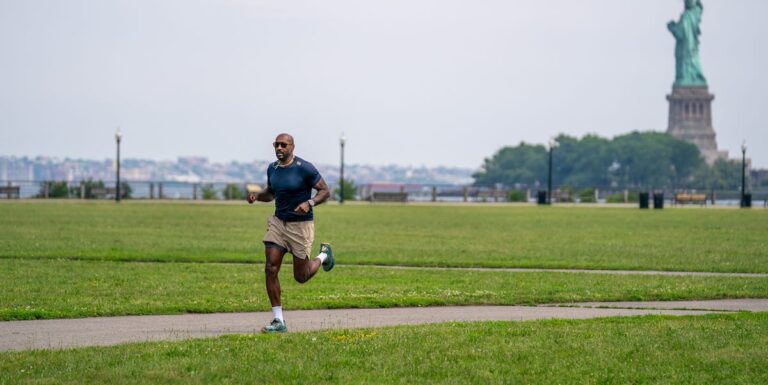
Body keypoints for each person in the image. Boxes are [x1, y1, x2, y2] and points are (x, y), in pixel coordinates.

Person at [247, 133, 335, 333]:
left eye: (283, 145)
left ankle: (323, 255)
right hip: (279, 223)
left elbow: (325, 191)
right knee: (270, 268)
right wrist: (257, 196)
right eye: (276, 144)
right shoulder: (273, 168)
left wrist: (309, 202)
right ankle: (279, 321)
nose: (279, 148)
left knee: (301, 276)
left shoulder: (305, 168)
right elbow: (271, 193)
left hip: (300, 226)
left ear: (292, 147)